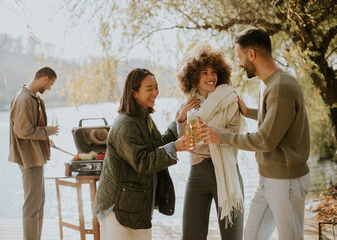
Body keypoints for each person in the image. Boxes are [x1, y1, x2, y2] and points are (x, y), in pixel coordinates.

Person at [198, 27, 311, 240]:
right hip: (268, 179)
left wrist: (219, 136)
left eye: (240, 57)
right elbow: (276, 118)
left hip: (285, 180)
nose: (239, 63)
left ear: (252, 54)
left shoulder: (280, 87)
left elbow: (265, 140)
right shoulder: (268, 83)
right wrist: (247, 111)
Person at [93, 68, 192, 240]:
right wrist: (174, 148)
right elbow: (143, 162)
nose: (155, 92)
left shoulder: (142, 117)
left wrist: (179, 121)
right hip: (116, 209)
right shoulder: (126, 124)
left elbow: (157, 145)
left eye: (156, 87)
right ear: (133, 92)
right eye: (149, 88)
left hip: (136, 207)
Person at [175, 42, 244, 240]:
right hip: (198, 173)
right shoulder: (186, 105)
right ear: (193, 75)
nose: (210, 77)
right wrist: (181, 118)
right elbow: (185, 143)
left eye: (213, 72)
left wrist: (214, 133)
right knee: (190, 236)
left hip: (227, 172)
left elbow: (235, 136)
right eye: (204, 72)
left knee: (233, 236)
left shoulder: (230, 100)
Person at [8, 67, 58, 240]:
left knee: (38, 203)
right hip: (29, 158)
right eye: (51, 84)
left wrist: (44, 140)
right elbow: (23, 131)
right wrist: (48, 131)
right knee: (32, 205)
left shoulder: (29, 97)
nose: (50, 88)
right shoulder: (24, 99)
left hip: (34, 157)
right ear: (44, 78)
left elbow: (28, 129)